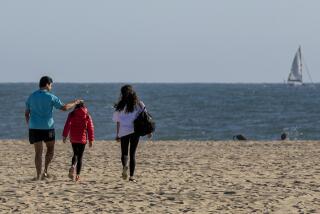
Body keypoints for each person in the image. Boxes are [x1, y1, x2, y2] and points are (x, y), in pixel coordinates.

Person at [25, 76, 82, 180]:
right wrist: (75, 103)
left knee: (38, 152)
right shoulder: (51, 97)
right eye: (51, 85)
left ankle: (38, 176)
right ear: (47, 84)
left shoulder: (31, 96)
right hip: (48, 128)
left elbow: (26, 114)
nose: (51, 87)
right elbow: (64, 108)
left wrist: (30, 125)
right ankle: (45, 171)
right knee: (50, 150)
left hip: (34, 128)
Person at [112, 85, 152, 183]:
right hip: (135, 131)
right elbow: (146, 118)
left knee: (124, 153)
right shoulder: (139, 104)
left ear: (122, 94)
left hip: (123, 131)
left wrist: (117, 134)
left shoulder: (120, 106)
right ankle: (131, 177)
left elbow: (117, 121)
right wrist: (149, 131)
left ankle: (125, 166)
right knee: (132, 154)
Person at [62, 101, 94, 182]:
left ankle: (73, 165)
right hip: (82, 138)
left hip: (73, 137)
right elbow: (90, 128)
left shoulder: (72, 114)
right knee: (80, 156)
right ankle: (77, 175)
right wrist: (91, 140)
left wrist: (65, 135)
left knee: (75, 153)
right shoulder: (87, 115)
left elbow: (67, 124)